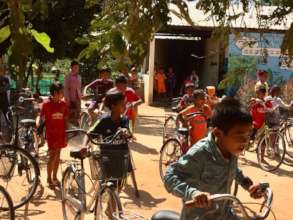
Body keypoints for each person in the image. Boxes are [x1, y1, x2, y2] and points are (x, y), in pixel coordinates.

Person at [165, 98, 264, 220]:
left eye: (248, 134)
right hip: (200, 217)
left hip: (225, 214)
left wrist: (248, 185)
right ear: (218, 133)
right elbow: (170, 176)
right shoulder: (201, 153)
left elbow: (233, 170)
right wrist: (193, 193)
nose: (245, 141)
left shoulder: (231, 149)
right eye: (239, 135)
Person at [38, 82, 68, 189]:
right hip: (51, 135)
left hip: (61, 134)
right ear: (55, 93)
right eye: (61, 92)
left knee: (58, 155)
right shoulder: (46, 105)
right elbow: (41, 119)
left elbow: (65, 120)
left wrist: (67, 134)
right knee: (52, 156)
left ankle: (55, 177)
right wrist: (40, 134)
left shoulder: (63, 105)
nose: (63, 94)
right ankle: (49, 178)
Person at [64, 61, 82, 127]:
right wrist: (67, 100)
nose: (77, 68)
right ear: (71, 67)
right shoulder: (68, 76)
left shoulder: (79, 77)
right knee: (70, 114)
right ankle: (69, 128)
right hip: (70, 98)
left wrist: (80, 96)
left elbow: (79, 87)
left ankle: (77, 128)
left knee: (77, 113)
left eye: (78, 67)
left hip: (78, 98)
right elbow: (66, 89)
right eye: (75, 67)